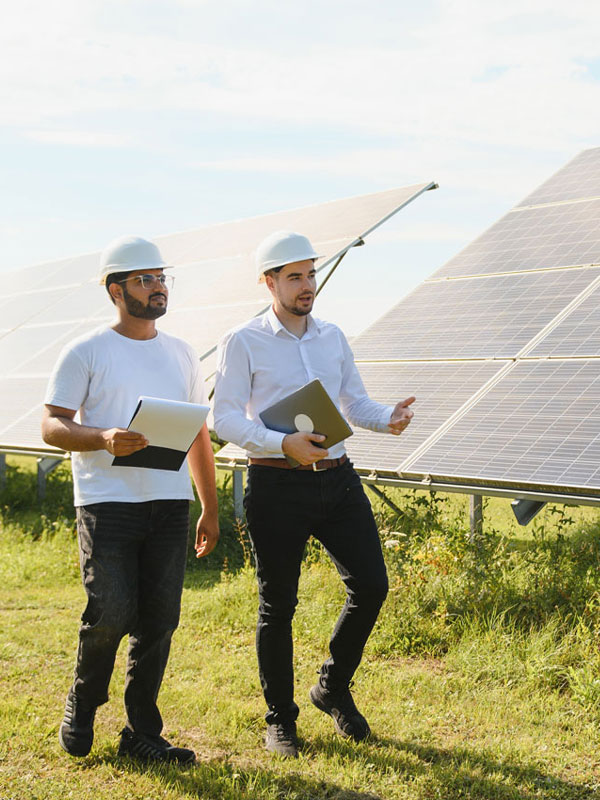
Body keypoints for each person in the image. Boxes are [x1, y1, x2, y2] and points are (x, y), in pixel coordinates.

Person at [213, 230, 415, 758]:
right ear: (270, 282)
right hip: (276, 485)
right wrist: (282, 442)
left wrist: (387, 417)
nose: (308, 285)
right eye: (295, 277)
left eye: (311, 274)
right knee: (278, 605)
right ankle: (280, 719)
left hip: (338, 480)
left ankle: (331, 686)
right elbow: (224, 418)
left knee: (371, 585)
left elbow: (354, 403)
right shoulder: (243, 340)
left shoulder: (332, 336)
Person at [41, 235, 219, 764]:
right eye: (145, 279)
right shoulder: (86, 351)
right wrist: (102, 438)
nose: (158, 287)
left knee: (159, 620)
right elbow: (51, 424)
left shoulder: (182, 352)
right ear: (115, 290)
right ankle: (84, 699)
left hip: (169, 504)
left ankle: (142, 732)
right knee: (111, 612)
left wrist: (209, 507)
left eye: (161, 278)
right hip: (107, 504)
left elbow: (198, 433)